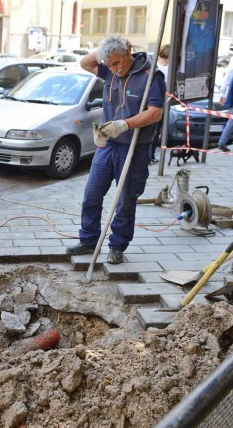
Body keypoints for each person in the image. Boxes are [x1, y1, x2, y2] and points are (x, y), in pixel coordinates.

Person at [66, 35, 165, 264]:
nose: (112, 69)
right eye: (108, 64)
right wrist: (106, 48)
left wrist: (125, 124)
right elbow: (85, 63)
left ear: (128, 51)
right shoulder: (109, 70)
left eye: (117, 63)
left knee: (125, 200)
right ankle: (88, 240)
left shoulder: (151, 76)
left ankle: (117, 246)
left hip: (133, 147)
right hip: (107, 145)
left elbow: (155, 112)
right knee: (91, 195)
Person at [150, 44, 170, 163]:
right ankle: (151, 155)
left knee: (152, 130)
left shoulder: (154, 65)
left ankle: (150, 155)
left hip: (152, 101)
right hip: (161, 102)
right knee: (156, 131)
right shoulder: (168, 69)